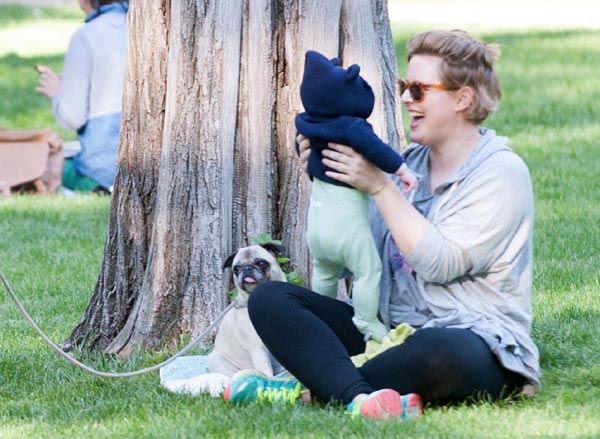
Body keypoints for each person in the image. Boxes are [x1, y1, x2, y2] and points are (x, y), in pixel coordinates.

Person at [224, 29, 541, 421]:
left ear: (463, 98)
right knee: (271, 299)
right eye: (405, 86)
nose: (406, 99)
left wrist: (378, 186)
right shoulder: (410, 164)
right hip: (385, 331)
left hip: (471, 339)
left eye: (420, 90)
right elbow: (350, 262)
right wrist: (330, 182)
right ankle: (361, 397)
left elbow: (440, 264)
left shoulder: (501, 173)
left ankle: (320, 388)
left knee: (436, 351)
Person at [295, 50, 417, 342]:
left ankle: (322, 319)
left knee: (323, 272)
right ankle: (365, 320)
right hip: (346, 227)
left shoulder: (306, 121)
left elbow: (302, 147)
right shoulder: (351, 126)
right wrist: (401, 170)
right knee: (368, 270)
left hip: (317, 228)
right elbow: (376, 149)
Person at [35, 0, 129, 193]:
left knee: (39, 159)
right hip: (154, 165)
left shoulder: (86, 36)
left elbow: (72, 117)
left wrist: (58, 92)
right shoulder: (151, 28)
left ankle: (94, 189)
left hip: (102, 172)